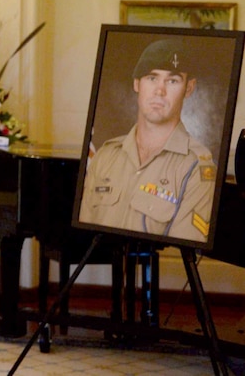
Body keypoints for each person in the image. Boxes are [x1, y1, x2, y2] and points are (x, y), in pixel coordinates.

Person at [78, 38, 215, 243]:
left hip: (158, 274)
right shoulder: (105, 156)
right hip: (107, 271)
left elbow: (181, 254)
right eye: (152, 78)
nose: (160, 91)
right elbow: (85, 237)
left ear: (189, 88)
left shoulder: (195, 167)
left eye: (172, 81)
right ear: (137, 83)